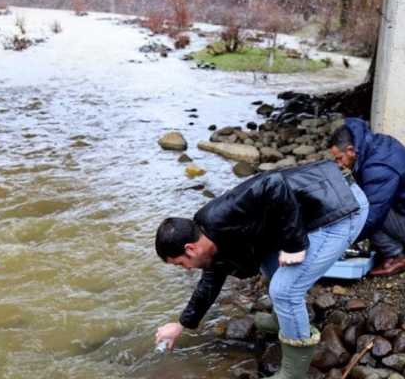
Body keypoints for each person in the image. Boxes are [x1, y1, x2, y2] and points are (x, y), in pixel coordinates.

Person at [154, 160, 369, 379]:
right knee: (269, 265)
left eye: (181, 264)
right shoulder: (208, 240)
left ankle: (294, 372)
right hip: (313, 210)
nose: (187, 269)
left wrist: (295, 246)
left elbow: (274, 182)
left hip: (340, 205)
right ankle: (283, 321)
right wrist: (181, 324)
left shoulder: (220, 214)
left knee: (284, 291)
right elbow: (210, 281)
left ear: (190, 249)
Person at [328, 118, 405, 276]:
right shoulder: (374, 145)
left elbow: (372, 216)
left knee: (364, 215)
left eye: (339, 159)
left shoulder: (378, 166)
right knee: (362, 207)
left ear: (350, 150)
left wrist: (340, 243)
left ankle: (397, 256)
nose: (338, 165)